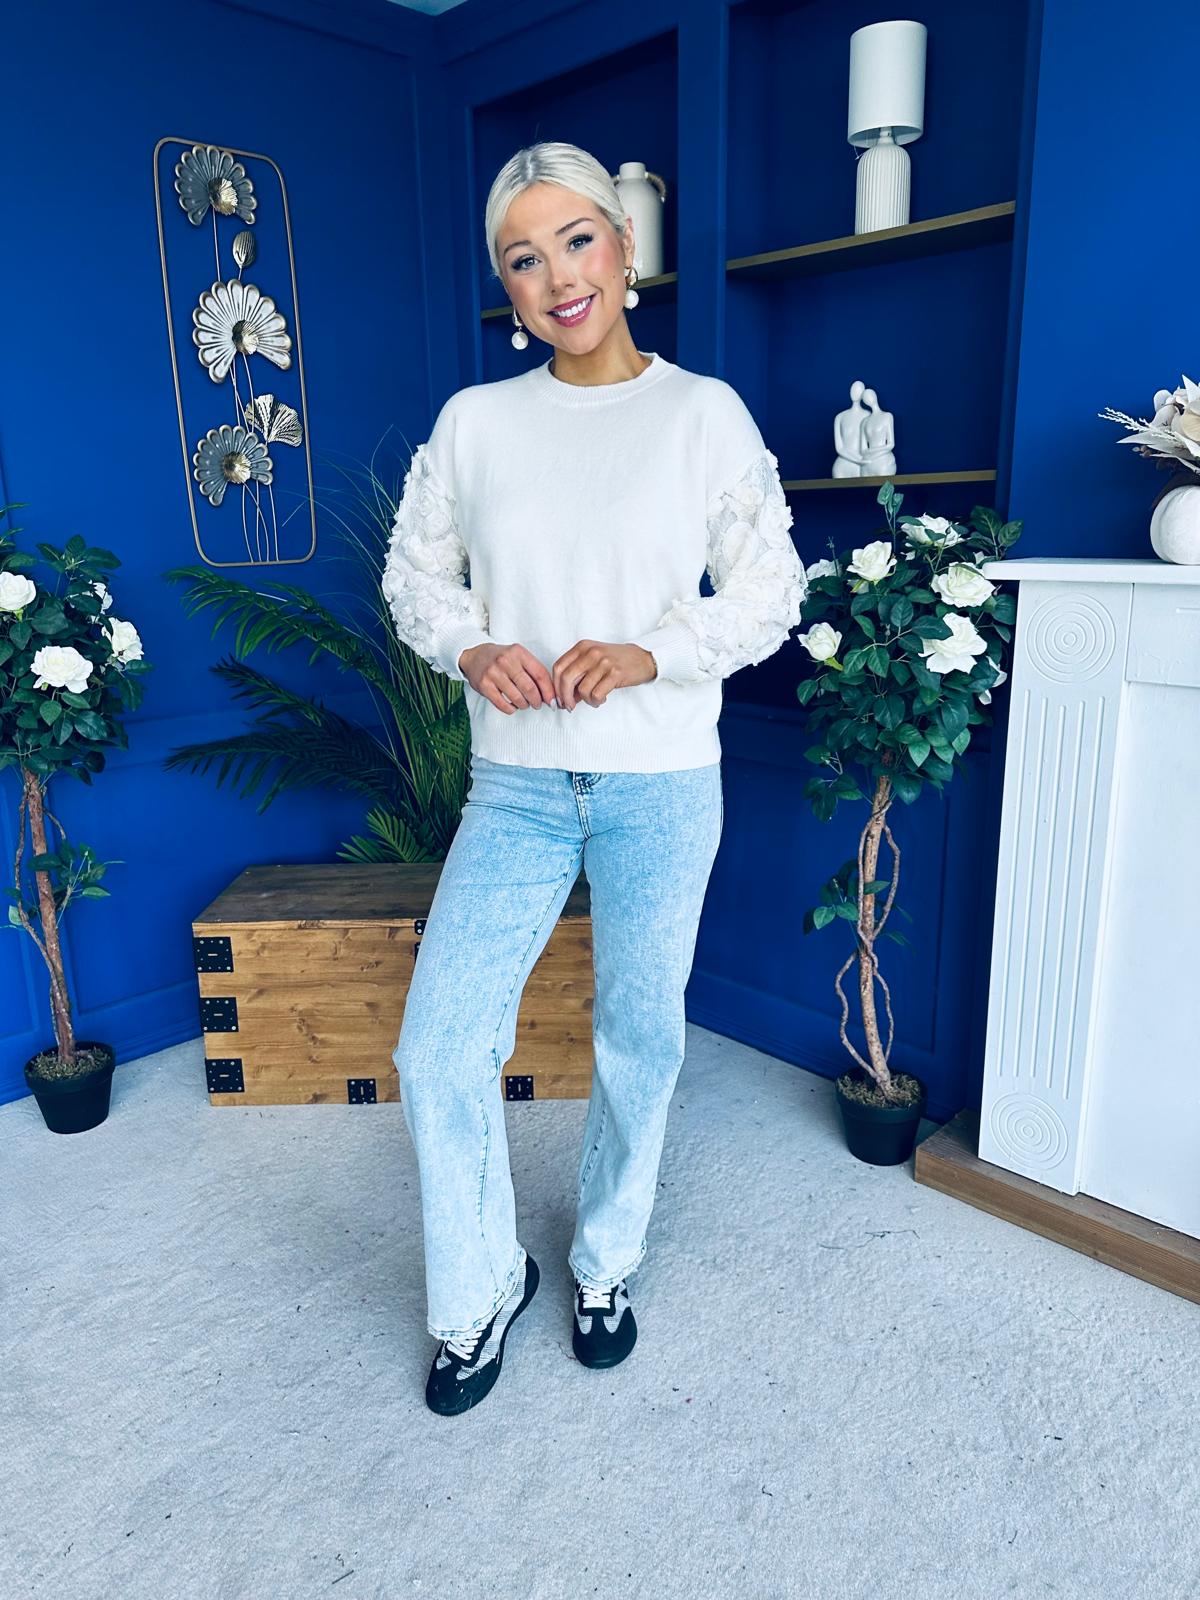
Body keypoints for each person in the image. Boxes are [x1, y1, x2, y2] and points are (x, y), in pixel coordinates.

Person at [382, 140, 809, 1417]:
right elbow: (415, 580)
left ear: (625, 251)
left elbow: (772, 590)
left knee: (639, 1035)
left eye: (577, 241)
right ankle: (479, 1287)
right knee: (437, 1045)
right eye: (524, 258)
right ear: (507, 290)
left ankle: (605, 1262)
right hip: (514, 785)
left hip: (661, 777)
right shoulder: (475, 424)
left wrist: (651, 652)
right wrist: (473, 646)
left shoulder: (702, 415)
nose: (558, 276)